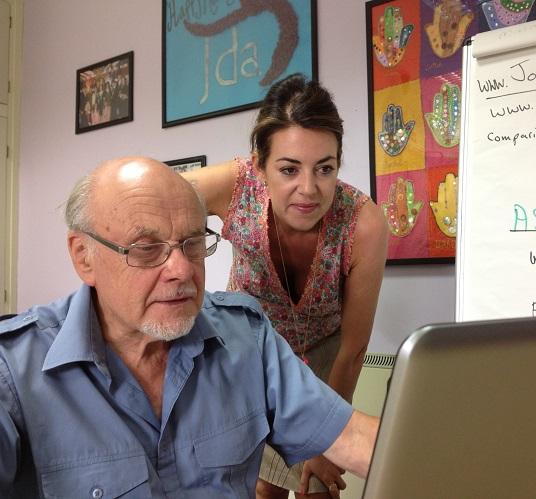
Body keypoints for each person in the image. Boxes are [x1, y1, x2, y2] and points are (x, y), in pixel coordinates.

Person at [0, 157, 379, 498]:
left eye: (193, 242)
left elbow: (352, 438)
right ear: (84, 257)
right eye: (147, 248)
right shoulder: (14, 371)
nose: (182, 270)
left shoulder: (245, 335)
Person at [183, 74, 388, 499]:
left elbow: (352, 348)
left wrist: (324, 436)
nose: (309, 190)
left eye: (325, 169)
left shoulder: (364, 222)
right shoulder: (235, 187)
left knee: (319, 486)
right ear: (259, 164)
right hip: (252, 353)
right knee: (264, 486)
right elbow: (152, 201)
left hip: (329, 357)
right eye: (289, 169)